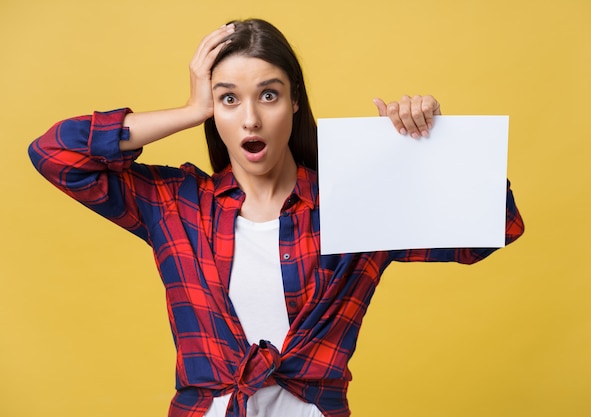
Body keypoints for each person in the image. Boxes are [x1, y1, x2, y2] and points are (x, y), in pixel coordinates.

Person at [28, 18, 524, 417]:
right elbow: (56, 154)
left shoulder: (353, 203)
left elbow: (491, 231)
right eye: (228, 99)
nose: (250, 119)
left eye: (268, 95)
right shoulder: (177, 206)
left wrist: (427, 145)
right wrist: (190, 108)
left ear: (294, 103)